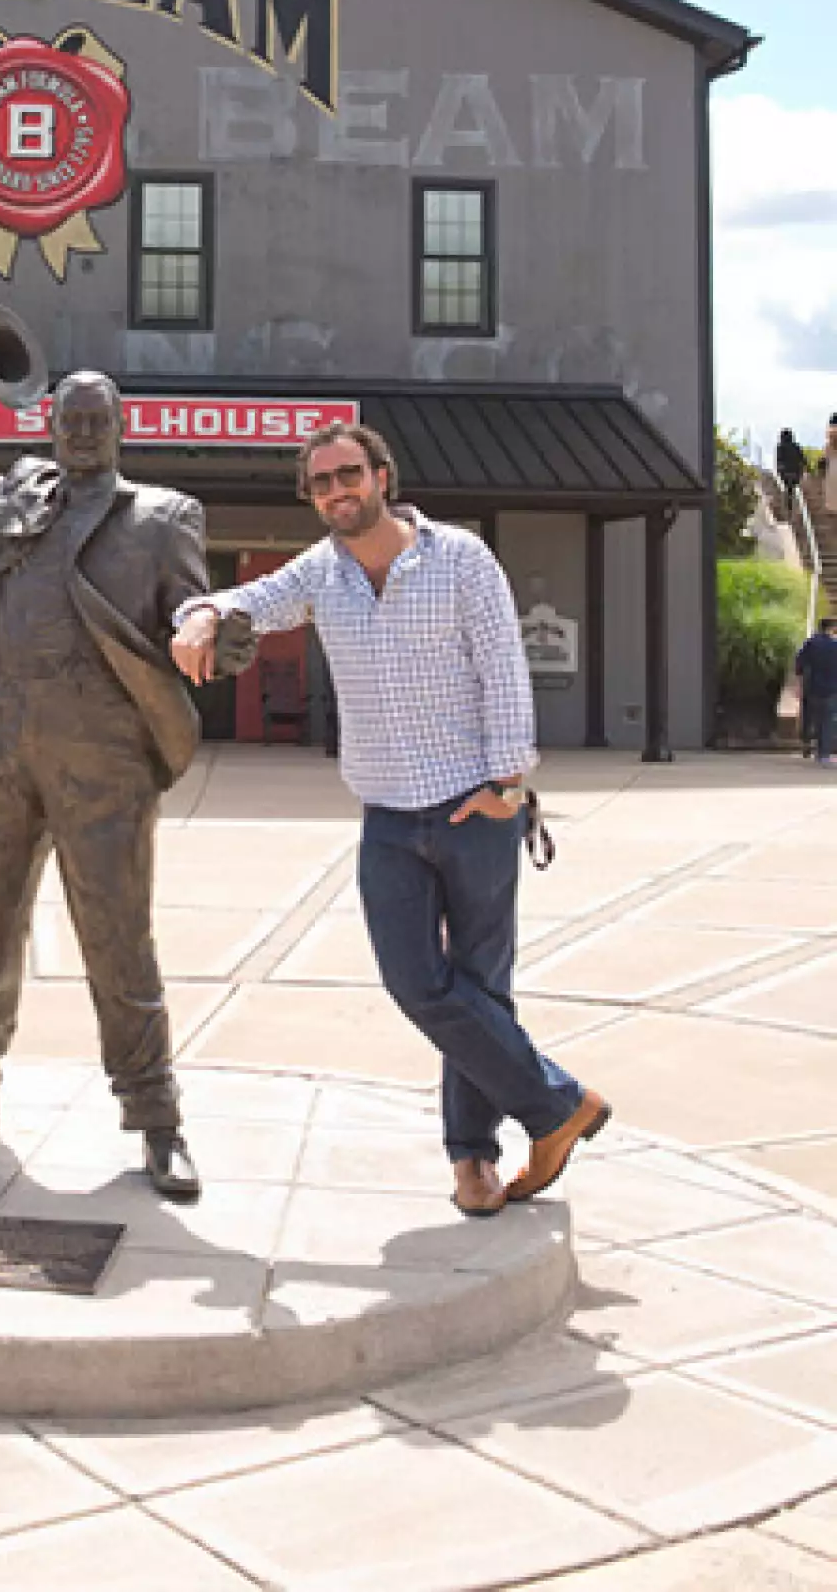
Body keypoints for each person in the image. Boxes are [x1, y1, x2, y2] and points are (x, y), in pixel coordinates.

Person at [170, 422, 608, 1218]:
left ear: (381, 475)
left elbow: (503, 667)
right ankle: (558, 1106)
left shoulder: (460, 558)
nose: (338, 492)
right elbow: (250, 602)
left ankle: (472, 1159)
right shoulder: (323, 572)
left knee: (480, 988)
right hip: (388, 815)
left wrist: (509, 783)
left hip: (477, 805)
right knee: (419, 985)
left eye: (349, 475)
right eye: (322, 484)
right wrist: (201, 613)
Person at [0, 367, 211, 1201]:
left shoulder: (160, 518)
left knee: (115, 931)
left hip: (103, 753)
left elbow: (189, 612)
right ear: (52, 425)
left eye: (95, 420)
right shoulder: (23, 490)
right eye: (68, 420)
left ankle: (156, 1115)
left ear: (120, 426)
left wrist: (217, 632)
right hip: (3, 739)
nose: (79, 434)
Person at [795, 617, 837, 767]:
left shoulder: (811, 643)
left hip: (812, 686)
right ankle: (823, 754)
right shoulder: (834, 645)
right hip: (831, 687)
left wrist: (799, 684)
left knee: (812, 717)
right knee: (827, 721)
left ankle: (807, 742)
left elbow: (799, 663)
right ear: (831, 628)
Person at [775, 429, 808, 515]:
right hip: (796, 472)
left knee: (788, 489)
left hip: (785, 473)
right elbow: (803, 459)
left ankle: (789, 508)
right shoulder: (796, 446)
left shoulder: (780, 447)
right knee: (794, 488)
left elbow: (778, 461)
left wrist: (779, 472)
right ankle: (795, 507)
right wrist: (804, 469)